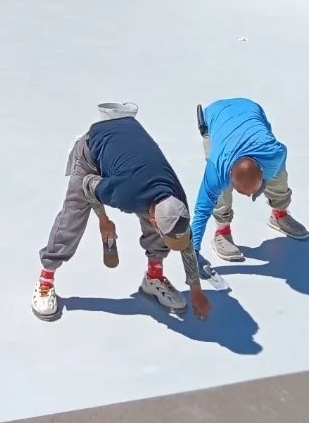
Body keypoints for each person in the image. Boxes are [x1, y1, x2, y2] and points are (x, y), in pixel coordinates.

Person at [33, 103, 211, 322]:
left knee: (164, 230)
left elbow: (186, 245)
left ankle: (154, 277)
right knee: (73, 216)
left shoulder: (177, 203)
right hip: (92, 152)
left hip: (127, 145)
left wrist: (196, 291)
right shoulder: (127, 194)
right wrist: (104, 220)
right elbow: (88, 185)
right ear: (154, 218)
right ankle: (45, 280)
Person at [192, 98, 309, 264]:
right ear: (230, 175)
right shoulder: (217, 170)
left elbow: (272, 146)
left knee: (278, 176)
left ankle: (279, 214)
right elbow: (201, 213)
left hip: (250, 109)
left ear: (262, 170)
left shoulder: (274, 154)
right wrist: (192, 252)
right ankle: (222, 231)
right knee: (220, 192)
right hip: (215, 117)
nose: (248, 197)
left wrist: (271, 185)